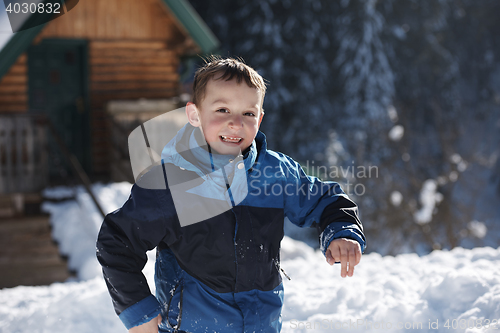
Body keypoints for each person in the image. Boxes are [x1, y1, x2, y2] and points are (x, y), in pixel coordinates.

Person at [96, 56, 366, 333]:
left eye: (248, 114)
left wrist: (342, 230)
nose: (236, 123)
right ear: (194, 115)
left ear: (259, 119)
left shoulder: (276, 173)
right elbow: (117, 242)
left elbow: (326, 200)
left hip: (262, 325)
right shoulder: (170, 182)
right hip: (191, 326)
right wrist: (139, 313)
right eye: (222, 110)